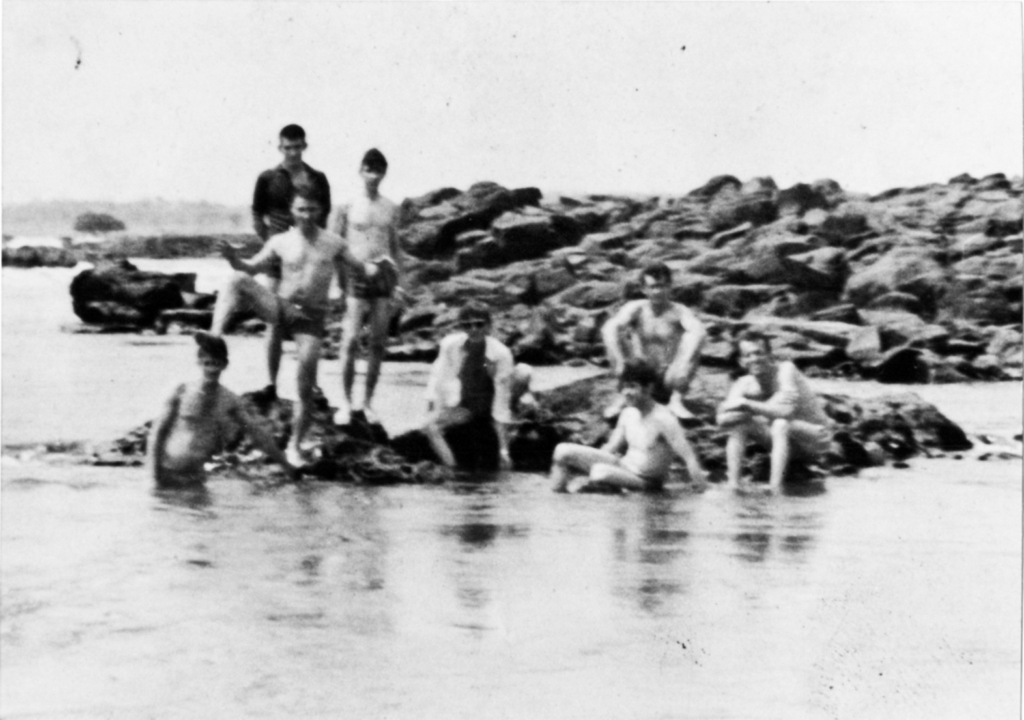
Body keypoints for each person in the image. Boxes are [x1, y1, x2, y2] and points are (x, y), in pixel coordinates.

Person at [210, 189, 370, 466]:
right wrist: (232, 258)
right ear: (292, 211)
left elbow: (362, 268)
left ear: (321, 212)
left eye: (312, 210)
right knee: (236, 280)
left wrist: (384, 273)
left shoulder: (334, 243)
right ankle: (213, 338)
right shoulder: (280, 241)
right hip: (281, 307)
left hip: (311, 318)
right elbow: (249, 267)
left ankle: (295, 446)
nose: (306, 215)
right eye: (301, 210)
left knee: (305, 382)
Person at [148, 332, 297, 486]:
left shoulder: (230, 400)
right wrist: (155, 474)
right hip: (167, 471)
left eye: (216, 364)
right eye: (207, 363)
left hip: (196, 478)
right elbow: (158, 432)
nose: (212, 370)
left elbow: (256, 433)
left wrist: (286, 465)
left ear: (225, 364)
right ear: (199, 362)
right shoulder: (182, 391)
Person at [250, 124, 332, 398]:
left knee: (310, 321)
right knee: (274, 322)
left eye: (297, 147)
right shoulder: (268, 178)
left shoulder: (318, 178)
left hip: (308, 258)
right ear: (280, 147)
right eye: (288, 147)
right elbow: (256, 216)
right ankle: (272, 385)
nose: (293, 153)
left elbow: (323, 220)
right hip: (277, 258)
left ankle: (314, 384)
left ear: (304, 146)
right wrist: (271, 244)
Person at [550, 360, 708, 493]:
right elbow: (611, 448)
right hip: (623, 466)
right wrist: (586, 464)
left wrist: (703, 490)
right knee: (562, 451)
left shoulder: (664, 419)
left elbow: (689, 456)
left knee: (600, 472)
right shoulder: (628, 413)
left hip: (646, 481)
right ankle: (558, 499)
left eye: (632, 386)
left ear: (648, 388)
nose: (626, 392)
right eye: (624, 387)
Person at [331, 149, 404, 425]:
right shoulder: (348, 205)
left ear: (383, 173)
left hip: (384, 276)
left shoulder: (390, 207)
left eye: (378, 170)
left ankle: (368, 403)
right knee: (349, 340)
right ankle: (347, 403)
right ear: (360, 171)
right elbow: (336, 245)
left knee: (377, 342)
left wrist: (400, 284)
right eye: (368, 169)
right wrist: (337, 283)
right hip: (356, 274)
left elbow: (395, 247)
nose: (373, 174)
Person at [716, 330, 833, 489]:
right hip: (784, 442)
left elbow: (785, 413)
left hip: (815, 441)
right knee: (740, 426)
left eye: (759, 353)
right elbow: (721, 420)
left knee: (780, 423)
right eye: (748, 355)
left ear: (770, 356)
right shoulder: (744, 383)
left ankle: (775, 488)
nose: (754, 359)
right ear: (741, 361)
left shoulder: (785, 370)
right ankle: (733, 485)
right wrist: (751, 409)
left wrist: (745, 405)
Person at [423, 302, 533, 471]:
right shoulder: (449, 345)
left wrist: (504, 450)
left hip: (488, 403)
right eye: (467, 325)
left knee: (524, 372)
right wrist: (435, 409)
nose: (473, 329)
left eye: (479, 324)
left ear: (489, 326)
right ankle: (452, 469)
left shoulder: (500, 353)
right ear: (460, 326)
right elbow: (438, 379)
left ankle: (520, 405)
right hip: (465, 406)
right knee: (430, 426)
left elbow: (501, 401)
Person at [601, 262, 707, 421]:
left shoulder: (679, 311)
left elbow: (698, 331)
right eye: (653, 287)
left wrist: (684, 361)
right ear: (644, 289)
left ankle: (676, 401)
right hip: (639, 374)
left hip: (669, 376)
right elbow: (610, 328)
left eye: (662, 286)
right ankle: (624, 396)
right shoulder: (636, 308)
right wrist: (620, 360)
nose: (658, 291)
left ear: (670, 287)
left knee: (693, 337)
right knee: (613, 329)